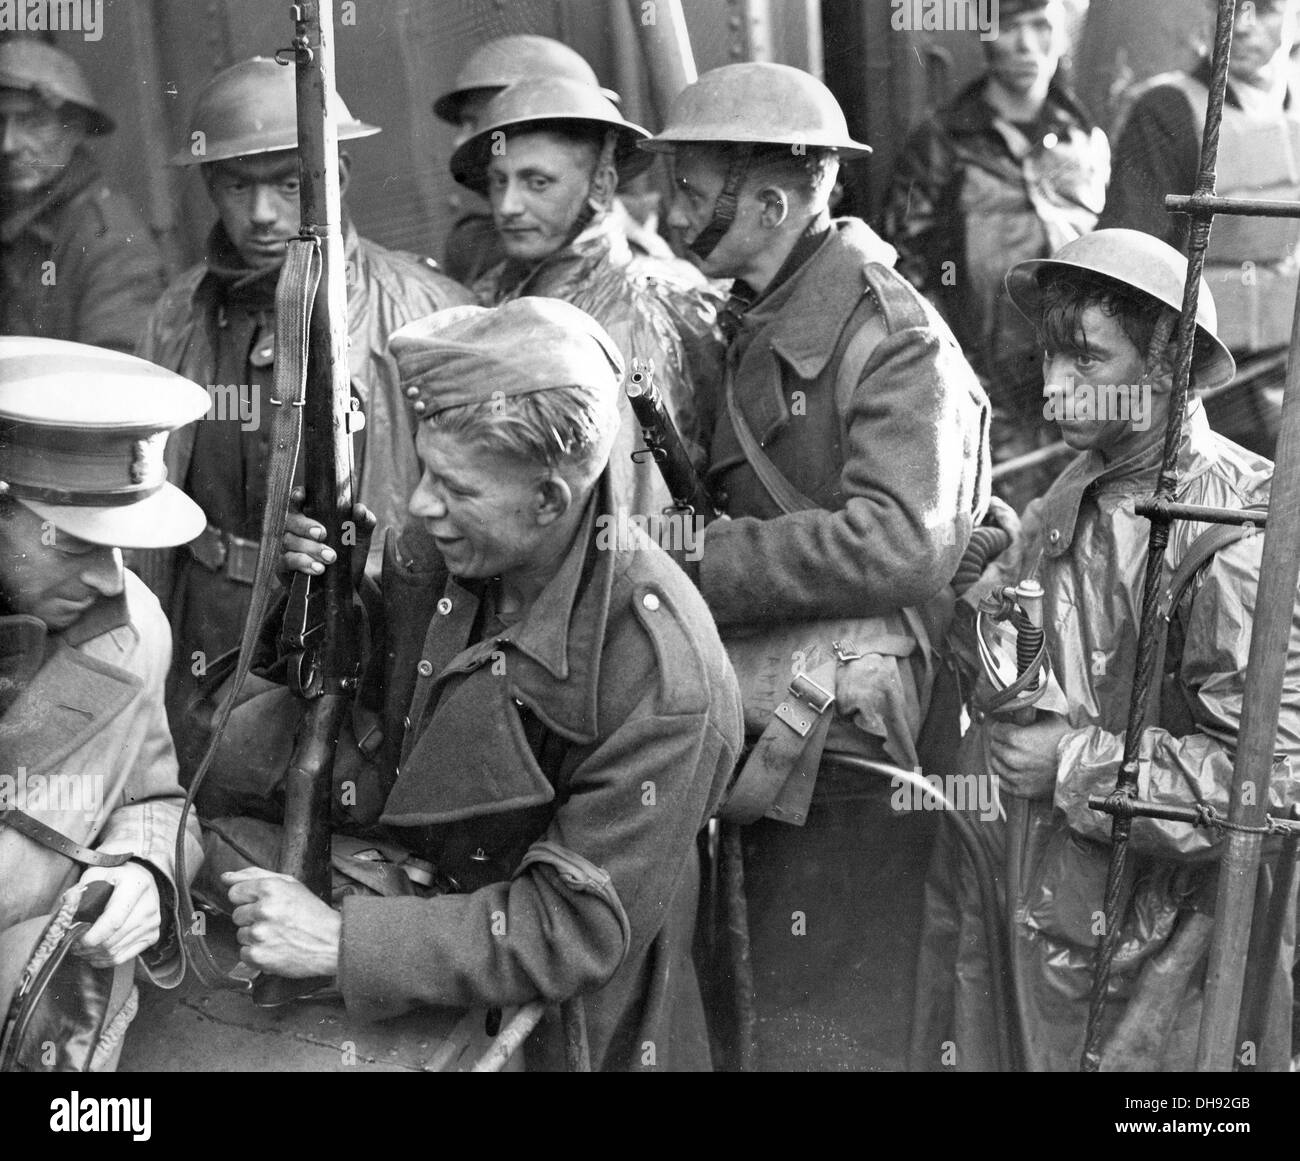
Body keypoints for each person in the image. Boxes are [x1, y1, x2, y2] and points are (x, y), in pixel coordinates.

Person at [202, 297, 742, 1072]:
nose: (420, 504)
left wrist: (341, 942)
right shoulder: (449, 553)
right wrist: (322, 593)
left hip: (567, 1026)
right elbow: (380, 715)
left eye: (454, 486)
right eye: (423, 471)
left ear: (551, 500)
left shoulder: (662, 679)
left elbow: (571, 927)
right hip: (423, 932)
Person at [639, 61, 992, 1069]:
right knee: (764, 997)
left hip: (843, 735)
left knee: (834, 1012)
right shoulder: (757, 310)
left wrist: (695, 561)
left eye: (694, 191)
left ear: (771, 200)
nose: (675, 211)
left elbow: (899, 540)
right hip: (769, 714)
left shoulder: (891, 334)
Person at [911, 228, 1300, 1072]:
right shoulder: (1079, 484)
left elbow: (1267, 786)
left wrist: (1074, 762)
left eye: (1086, 361)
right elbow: (1046, 678)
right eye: (1050, 357)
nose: (1054, 388)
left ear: (1169, 365)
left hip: (1162, 965)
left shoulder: (1231, 535)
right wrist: (992, 602)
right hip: (1040, 927)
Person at [135, 57, 472, 722]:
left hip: (355, 632)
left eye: (288, 185)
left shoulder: (423, 309)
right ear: (209, 185)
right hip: (206, 623)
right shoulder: (179, 311)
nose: (260, 215)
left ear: (333, 178)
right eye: (236, 186)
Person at [0, 337, 207, 1072]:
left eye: (122, 545)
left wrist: (145, 872)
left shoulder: (133, 626)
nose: (109, 579)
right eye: (79, 544)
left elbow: (158, 800)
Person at [451, 75, 723, 521]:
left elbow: (638, 509)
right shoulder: (495, 291)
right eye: (499, 183)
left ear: (600, 187)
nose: (508, 206)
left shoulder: (631, 314)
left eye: (537, 183)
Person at [882, 0, 1108, 510]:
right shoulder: (940, 141)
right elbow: (904, 265)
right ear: (984, 37)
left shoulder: (1087, 141)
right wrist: (953, 366)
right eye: (1009, 26)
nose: (1027, 45)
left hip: (1077, 374)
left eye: (1040, 26)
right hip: (984, 384)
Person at [1100, 0, 1300, 459]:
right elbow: (1130, 260)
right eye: (1231, 6)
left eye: (1264, 8)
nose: (1243, 26)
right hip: (1207, 385)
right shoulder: (1167, 110)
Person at [0, 40, 167, 351]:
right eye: (1, 122)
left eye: (32, 123)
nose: (8, 145)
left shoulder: (108, 236)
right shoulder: (18, 214)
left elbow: (115, 379)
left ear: (73, 129)